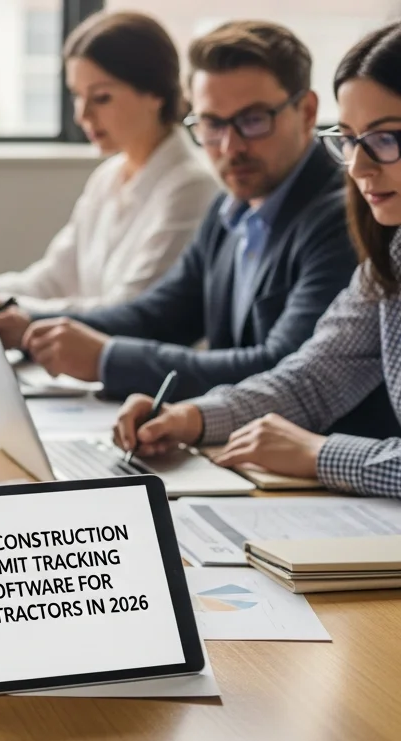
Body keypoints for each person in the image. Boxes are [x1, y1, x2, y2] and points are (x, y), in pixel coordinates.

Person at [0, 20, 397, 439]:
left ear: (308, 112)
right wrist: (32, 323)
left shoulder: (346, 218)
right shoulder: (230, 204)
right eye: (212, 125)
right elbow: (165, 314)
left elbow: (282, 362)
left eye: (253, 121)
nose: (230, 147)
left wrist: (107, 359)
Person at [115, 21, 401, 494]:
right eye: (349, 139)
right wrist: (190, 418)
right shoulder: (391, 253)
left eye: (386, 138)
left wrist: (321, 454)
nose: (358, 167)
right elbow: (312, 379)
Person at [0, 11, 220, 315]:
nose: (81, 116)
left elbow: (128, 311)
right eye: (77, 96)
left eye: (101, 98)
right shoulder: (108, 177)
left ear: (155, 93)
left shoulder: (191, 186)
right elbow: (49, 282)